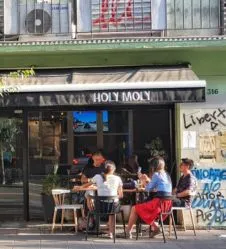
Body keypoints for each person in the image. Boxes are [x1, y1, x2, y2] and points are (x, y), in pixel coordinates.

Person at [74, 160, 123, 239]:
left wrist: (79, 187)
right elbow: (121, 195)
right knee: (112, 211)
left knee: (90, 196)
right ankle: (111, 233)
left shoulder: (97, 176)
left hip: (99, 207)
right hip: (112, 207)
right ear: (114, 170)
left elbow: (86, 185)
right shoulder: (118, 178)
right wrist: (113, 196)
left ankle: (93, 223)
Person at [125, 156, 172, 239]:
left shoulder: (157, 175)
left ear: (154, 166)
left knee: (135, 208)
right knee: (142, 208)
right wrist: (147, 180)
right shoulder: (166, 175)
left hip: (158, 203)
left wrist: (143, 180)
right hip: (167, 205)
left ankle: (128, 231)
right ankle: (156, 228)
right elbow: (158, 187)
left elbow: (147, 189)